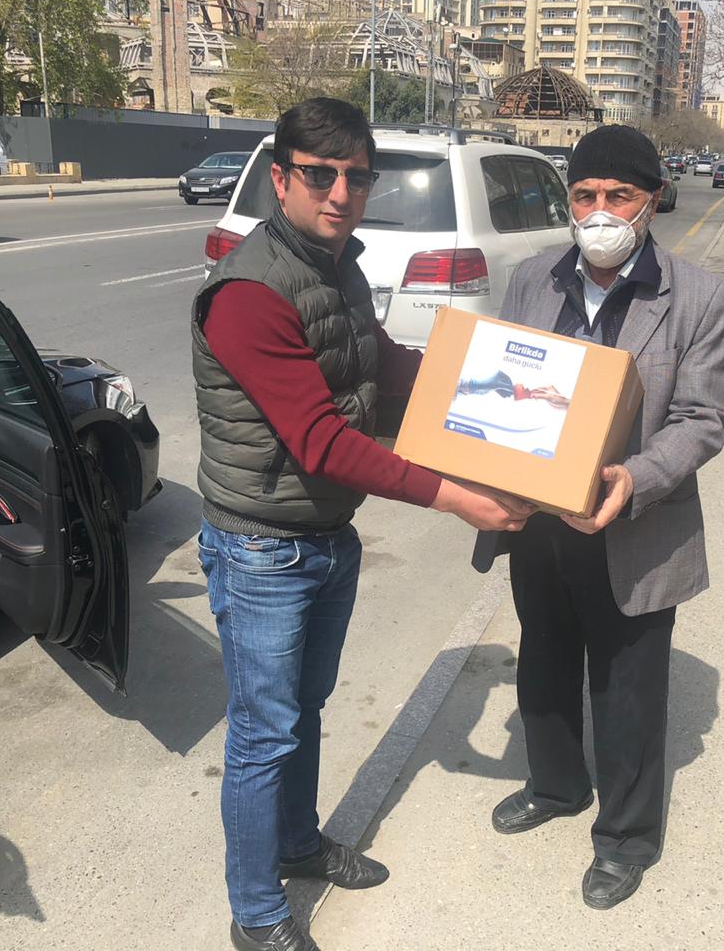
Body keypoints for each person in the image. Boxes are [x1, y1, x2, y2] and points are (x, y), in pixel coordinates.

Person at [191, 97, 531, 951]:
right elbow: (322, 441)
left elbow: (383, 364)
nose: (340, 193)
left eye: (356, 176)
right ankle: (255, 914)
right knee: (263, 734)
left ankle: (299, 845)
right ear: (281, 179)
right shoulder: (248, 292)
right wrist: (455, 495)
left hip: (323, 535)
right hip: (262, 546)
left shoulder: (337, 265)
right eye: (319, 175)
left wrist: (505, 390)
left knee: (303, 711)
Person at [474, 125, 724, 911]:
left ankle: (626, 837)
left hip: (635, 526)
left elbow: (702, 418)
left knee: (627, 688)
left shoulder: (700, 298)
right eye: (585, 194)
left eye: (618, 196)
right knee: (544, 660)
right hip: (539, 523)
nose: (599, 211)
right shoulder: (532, 280)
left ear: (652, 201)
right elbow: (500, 388)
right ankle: (556, 784)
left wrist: (636, 477)